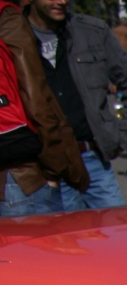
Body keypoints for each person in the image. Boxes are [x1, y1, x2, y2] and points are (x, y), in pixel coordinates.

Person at [24, 0, 127, 211]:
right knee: (53, 241)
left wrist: (122, 137)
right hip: (41, 166)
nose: (62, 1)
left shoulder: (92, 31)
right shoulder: (12, 35)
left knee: (115, 236)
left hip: (92, 161)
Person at [0, 0, 86, 215]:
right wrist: (55, 164)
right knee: (38, 247)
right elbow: (35, 94)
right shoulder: (7, 17)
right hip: (20, 175)